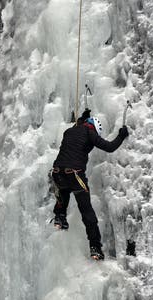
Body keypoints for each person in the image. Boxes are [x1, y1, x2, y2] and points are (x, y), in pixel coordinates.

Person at [51, 108, 129, 260]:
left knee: (63, 191)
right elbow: (110, 147)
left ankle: (60, 218)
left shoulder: (69, 131)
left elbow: (78, 128)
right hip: (74, 174)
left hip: (57, 172)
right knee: (87, 212)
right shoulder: (90, 133)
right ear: (93, 128)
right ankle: (95, 247)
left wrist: (83, 118)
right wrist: (121, 135)